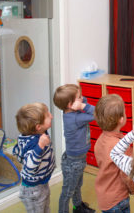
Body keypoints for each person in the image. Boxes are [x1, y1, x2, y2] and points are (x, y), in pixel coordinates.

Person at [53, 84, 95, 213]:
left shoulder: (69, 111)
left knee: (77, 185)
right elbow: (98, 113)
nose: (83, 99)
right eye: (79, 97)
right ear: (71, 104)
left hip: (77, 159)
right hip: (74, 162)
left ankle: (78, 206)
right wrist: (83, 106)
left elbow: (85, 101)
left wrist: (80, 100)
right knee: (68, 191)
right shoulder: (75, 118)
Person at [94, 94, 134, 213]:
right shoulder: (121, 146)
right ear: (121, 119)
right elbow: (127, 173)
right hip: (118, 198)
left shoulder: (100, 140)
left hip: (104, 197)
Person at [13, 103, 55, 213]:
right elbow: (30, 166)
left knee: (46, 208)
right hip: (33, 190)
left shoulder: (39, 132)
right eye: (48, 115)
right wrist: (39, 146)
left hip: (41, 183)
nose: (51, 116)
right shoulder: (33, 143)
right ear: (38, 127)